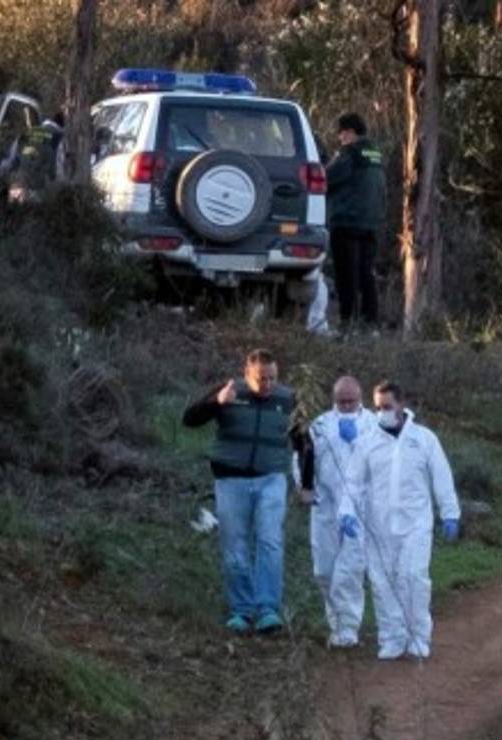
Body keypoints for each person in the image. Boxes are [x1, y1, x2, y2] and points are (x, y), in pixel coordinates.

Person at [183, 349, 303, 635]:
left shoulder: (288, 399)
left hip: (271, 478)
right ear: (247, 374)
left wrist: (307, 483)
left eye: (272, 378)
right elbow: (190, 419)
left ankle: (268, 609)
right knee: (235, 545)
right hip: (231, 480)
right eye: (261, 379)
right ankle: (242, 610)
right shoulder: (229, 391)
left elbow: (303, 442)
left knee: (270, 541)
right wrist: (216, 402)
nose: (267, 384)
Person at [363, 381, 460, 660]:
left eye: (387, 406)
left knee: (414, 577)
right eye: (377, 407)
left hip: (416, 524)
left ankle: (418, 637)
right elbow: (355, 480)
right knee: (383, 582)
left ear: (401, 404)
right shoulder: (369, 440)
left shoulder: (424, 439)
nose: (382, 412)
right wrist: (348, 513)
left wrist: (450, 513)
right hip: (379, 525)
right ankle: (392, 638)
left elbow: (441, 477)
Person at [299, 376, 377, 647]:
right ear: (334, 399)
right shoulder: (320, 426)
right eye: (341, 401)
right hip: (325, 505)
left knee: (351, 570)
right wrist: (305, 487)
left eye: (350, 401)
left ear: (360, 398)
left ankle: (348, 629)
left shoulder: (373, 425)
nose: (345, 406)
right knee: (324, 570)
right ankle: (336, 623)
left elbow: (382, 462)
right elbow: (302, 458)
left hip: (360, 508)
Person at [326, 112, 386, 330]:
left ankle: (347, 323)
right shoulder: (375, 154)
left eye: (341, 134)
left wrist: (330, 160)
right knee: (366, 275)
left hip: (347, 222)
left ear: (350, 132)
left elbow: (326, 178)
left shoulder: (349, 154)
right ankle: (371, 324)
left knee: (346, 276)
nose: (340, 138)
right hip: (371, 223)